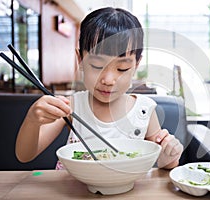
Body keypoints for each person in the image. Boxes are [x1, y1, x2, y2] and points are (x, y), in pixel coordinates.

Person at [15, 7, 183, 169]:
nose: (108, 80)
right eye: (96, 65)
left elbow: (162, 161)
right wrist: (32, 121)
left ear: (136, 64)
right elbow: (25, 155)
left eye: (122, 68)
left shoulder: (144, 110)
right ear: (80, 59)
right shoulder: (71, 106)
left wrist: (169, 155)